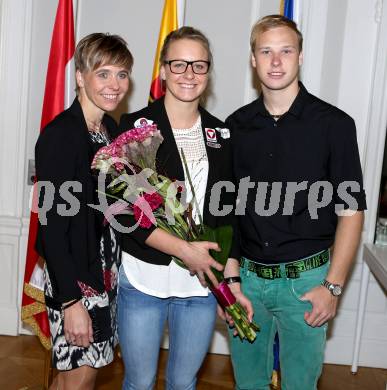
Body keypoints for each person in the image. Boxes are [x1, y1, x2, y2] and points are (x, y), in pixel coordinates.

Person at [225, 15, 366, 390]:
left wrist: (333, 287)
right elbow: (227, 212)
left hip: (307, 284)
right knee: (248, 385)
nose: (275, 61)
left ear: (300, 57)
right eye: (265, 51)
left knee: (301, 385)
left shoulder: (334, 125)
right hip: (249, 283)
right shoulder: (235, 127)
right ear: (253, 60)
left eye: (285, 51)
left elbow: (351, 213)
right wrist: (231, 280)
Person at [117, 26, 252, 390]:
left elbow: (228, 216)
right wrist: (184, 251)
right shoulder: (135, 129)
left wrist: (232, 281)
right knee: (140, 381)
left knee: (183, 382)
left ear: (209, 73)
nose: (188, 74)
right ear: (162, 70)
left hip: (200, 287)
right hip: (144, 277)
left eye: (199, 65)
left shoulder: (221, 135)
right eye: (179, 64)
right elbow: (125, 215)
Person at [35, 33, 133, 390]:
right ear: (80, 76)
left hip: (102, 269)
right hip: (75, 277)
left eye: (122, 74)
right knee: (78, 378)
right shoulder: (62, 135)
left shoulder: (106, 132)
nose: (115, 84)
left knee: (83, 374)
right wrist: (71, 301)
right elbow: (52, 228)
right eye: (104, 73)